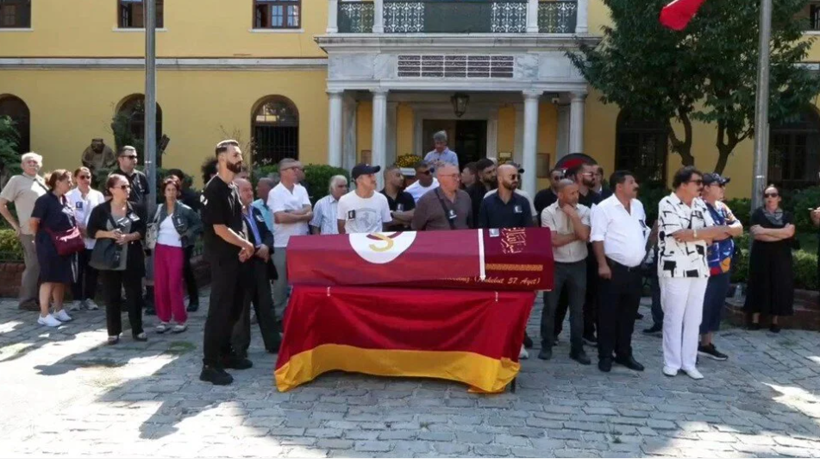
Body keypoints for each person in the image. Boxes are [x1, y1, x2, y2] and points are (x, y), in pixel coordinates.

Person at [657, 167, 734, 380]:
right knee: (674, 316)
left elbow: (717, 232)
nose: (701, 186)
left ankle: (689, 362)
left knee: (694, 317)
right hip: (675, 268)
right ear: (683, 184)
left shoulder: (700, 204)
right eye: (697, 182)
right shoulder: (667, 203)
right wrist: (701, 234)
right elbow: (677, 234)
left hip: (700, 267)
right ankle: (672, 362)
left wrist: (694, 234)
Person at [199, 140, 256, 385]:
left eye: (240, 154)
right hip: (221, 259)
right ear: (222, 158)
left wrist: (243, 246)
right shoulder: (213, 189)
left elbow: (237, 223)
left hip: (236, 258)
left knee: (234, 308)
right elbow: (220, 229)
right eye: (235, 154)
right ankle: (210, 364)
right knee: (219, 310)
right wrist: (245, 244)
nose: (239, 158)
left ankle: (225, 353)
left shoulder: (232, 187)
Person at [590, 170, 648, 373]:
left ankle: (624, 353)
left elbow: (641, 231)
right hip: (613, 269)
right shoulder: (604, 208)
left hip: (635, 271)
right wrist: (602, 264)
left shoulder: (638, 206)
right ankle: (605, 355)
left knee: (628, 315)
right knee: (607, 314)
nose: (636, 185)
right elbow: (597, 237)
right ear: (619, 186)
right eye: (631, 182)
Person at [478, 164, 534, 359]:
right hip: (494, 262)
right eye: (512, 176)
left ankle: (517, 343)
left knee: (517, 304)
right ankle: (493, 341)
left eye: (517, 176)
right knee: (495, 303)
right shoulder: (488, 202)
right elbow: (483, 231)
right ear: (500, 178)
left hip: (517, 261)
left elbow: (528, 232)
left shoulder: (523, 202)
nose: (516, 179)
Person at [87, 174, 147, 344]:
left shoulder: (137, 208)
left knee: (134, 295)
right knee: (111, 295)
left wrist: (129, 237)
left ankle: (137, 329)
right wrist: (109, 234)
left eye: (128, 186)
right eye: (123, 186)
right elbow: (91, 231)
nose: (127, 189)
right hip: (109, 258)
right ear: (112, 190)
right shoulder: (100, 210)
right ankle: (113, 332)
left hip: (131, 257)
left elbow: (143, 230)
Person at [539, 179, 592, 365]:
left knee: (577, 309)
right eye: (572, 193)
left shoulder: (584, 211)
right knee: (550, 307)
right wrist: (576, 234)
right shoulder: (548, 212)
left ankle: (577, 349)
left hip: (578, 264)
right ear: (560, 195)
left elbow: (585, 236)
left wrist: (574, 217)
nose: (576, 196)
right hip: (555, 265)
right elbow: (554, 241)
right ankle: (546, 345)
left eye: (577, 192)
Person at [231, 178, 282, 356]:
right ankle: (239, 348)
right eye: (245, 190)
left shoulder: (256, 211)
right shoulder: (232, 215)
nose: (250, 193)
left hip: (261, 264)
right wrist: (254, 249)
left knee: (265, 305)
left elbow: (267, 233)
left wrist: (267, 246)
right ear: (235, 193)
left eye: (250, 189)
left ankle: (273, 342)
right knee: (242, 309)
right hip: (243, 266)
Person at [698, 173, 743, 361]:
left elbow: (739, 228)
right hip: (704, 266)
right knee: (702, 305)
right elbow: (706, 235)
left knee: (716, 305)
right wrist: (726, 231)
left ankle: (706, 343)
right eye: (720, 185)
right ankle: (690, 345)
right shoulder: (698, 207)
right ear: (707, 187)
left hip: (723, 265)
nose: (723, 189)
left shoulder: (723, 207)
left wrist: (723, 230)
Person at [152, 177, 203, 334]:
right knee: (161, 285)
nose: (171, 193)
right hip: (160, 248)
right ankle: (164, 319)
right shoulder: (158, 209)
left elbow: (199, 223)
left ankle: (180, 319)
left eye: (174, 190)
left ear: (178, 192)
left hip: (176, 249)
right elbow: (150, 225)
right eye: (168, 190)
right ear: (164, 192)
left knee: (174, 284)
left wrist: (187, 233)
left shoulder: (185, 209)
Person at [29, 170, 77, 327]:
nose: (71, 183)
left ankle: (58, 309)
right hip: (48, 243)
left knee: (61, 277)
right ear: (57, 182)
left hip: (64, 243)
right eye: (68, 181)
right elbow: (34, 221)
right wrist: (37, 238)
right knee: (48, 278)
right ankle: (44, 314)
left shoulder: (65, 199)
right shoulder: (44, 200)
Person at [0, 152, 48, 310]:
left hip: (45, 232)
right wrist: (15, 225)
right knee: (33, 265)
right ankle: (26, 300)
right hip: (28, 231)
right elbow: (1, 204)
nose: (33, 164)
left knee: (43, 265)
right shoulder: (16, 180)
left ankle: (40, 299)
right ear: (22, 165)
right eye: (29, 162)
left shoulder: (41, 181)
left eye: (35, 162)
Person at [745, 185, 795, 333]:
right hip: (761, 256)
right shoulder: (757, 214)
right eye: (767, 195)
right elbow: (758, 235)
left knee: (779, 285)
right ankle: (755, 320)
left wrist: (765, 230)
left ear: (779, 198)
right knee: (758, 284)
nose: (770, 198)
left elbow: (790, 233)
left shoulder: (787, 215)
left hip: (781, 257)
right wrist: (781, 233)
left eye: (773, 195)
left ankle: (775, 321)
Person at [269, 158, 312, 322]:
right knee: (280, 282)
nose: (296, 171)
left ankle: (299, 310)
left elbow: (310, 211)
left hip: (301, 242)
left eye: (297, 168)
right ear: (283, 172)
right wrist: (302, 215)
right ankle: (279, 314)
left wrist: (291, 213)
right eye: (292, 168)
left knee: (301, 280)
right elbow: (280, 218)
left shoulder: (301, 190)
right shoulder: (275, 193)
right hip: (282, 243)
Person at [569, 162, 603, 345]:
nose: (594, 176)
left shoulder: (599, 199)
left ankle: (588, 331)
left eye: (595, 174)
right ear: (578, 176)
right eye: (590, 173)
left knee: (591, 295)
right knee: (564, 296)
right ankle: (553, 332)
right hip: (569, 251)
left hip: (592, 253)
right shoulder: (570, 196)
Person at [66, 167, 105, 311]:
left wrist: (92, 231)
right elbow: (67, 216)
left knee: (92, 271)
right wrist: (81, 230)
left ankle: (90, 298)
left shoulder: (97, 195)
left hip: (93, 239)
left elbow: (102, 215)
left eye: (88, 177)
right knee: (77, 270)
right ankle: (76, 299)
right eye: (82, 177)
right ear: (76, 178)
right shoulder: (69, 195)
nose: (85, 180)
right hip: (76, 239)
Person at [168, 169, 202, 312]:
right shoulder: (165, 195)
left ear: (181, 181)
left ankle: (193, 299)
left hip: (185, 241)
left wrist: (188, 233)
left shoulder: (189, 197)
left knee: (185, 268)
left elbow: (196, 221)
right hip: (169, 240)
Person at [412, 163, 472, 231]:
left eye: (458, 175)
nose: (458, 179)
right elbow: (416, 228)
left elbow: (470, 225)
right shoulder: (426, 200)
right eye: (453, 176)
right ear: (440, 178)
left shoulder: (465, 197)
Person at [337, 164, 392, 234]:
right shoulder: (344, 200)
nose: (374, 179)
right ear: (359, 180)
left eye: (373, 175)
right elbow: (341, 226)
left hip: (375, 240)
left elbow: (386, 224)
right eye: (369, 176)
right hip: (353, 240)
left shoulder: (382, 199)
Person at [113, 146, 150, 210]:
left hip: (139, 215)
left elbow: (146, 198)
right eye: (131, 157)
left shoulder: (141, 176)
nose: (134, 160)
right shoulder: (114, 177)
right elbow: (108, 199)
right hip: (120, 214)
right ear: (120, 159)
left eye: (136, 157)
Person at [381, 165, 415, 231]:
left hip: (406, 235)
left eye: (402, 175)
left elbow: (413, 216)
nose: (402, 178)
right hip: (385, 236)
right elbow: (381, 222)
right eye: (398, 175)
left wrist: (391, 213)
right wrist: (404, 221)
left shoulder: (407, 196)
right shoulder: (380, 198)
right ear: (388, 178)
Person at [467, 158, 497, 227]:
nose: (493, 174)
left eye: (494, 170)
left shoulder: (499, 188)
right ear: (480, 174)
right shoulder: (471, 192)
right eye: (489, 172)